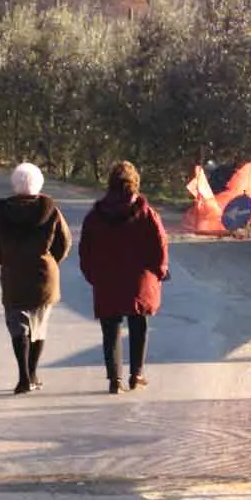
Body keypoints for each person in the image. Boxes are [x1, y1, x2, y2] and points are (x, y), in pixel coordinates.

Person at [79, 161, 170, 394]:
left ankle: (114, 379)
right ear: (134, 184)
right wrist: (160, 271)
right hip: (139, 279)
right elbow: (159, 244)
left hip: (107, 279)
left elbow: (86, 249)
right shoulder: (147, 214)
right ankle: (136, 374)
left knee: (110, 329)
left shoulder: (95, 216)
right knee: (138, 324)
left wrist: (93, 275)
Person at [0, 162, 71, 395]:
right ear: (38, 183)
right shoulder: (50, 209)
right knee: (39, 327)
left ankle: (23, 377)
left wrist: (5, 259)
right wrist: (51, 261)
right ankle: (33, 374)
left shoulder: (0, 211)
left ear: (14, 184)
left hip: (13, 276)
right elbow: (65, 241)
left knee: (18, 327)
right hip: (44, 278)